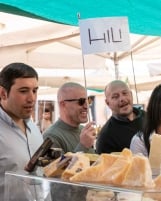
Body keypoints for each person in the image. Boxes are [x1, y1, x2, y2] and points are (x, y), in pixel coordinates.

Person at [0, 63, 43, 200]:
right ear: (3, 93)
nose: (32, 98)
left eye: (35, 91)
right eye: (23, 91)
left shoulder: (34, 127)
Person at [43, 82, 95, 154]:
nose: (86, 106)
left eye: (88, 101)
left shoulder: (83, 130)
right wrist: (83, 146)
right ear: (63, 104)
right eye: (81, 101)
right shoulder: (51, 137)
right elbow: (58, 165)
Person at [96, 80, 145, 154]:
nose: (122, 99)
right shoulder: (106, 136)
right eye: (115, 97)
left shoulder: (149, 117)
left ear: (131, 95)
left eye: (125, 93)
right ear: (107, 103)